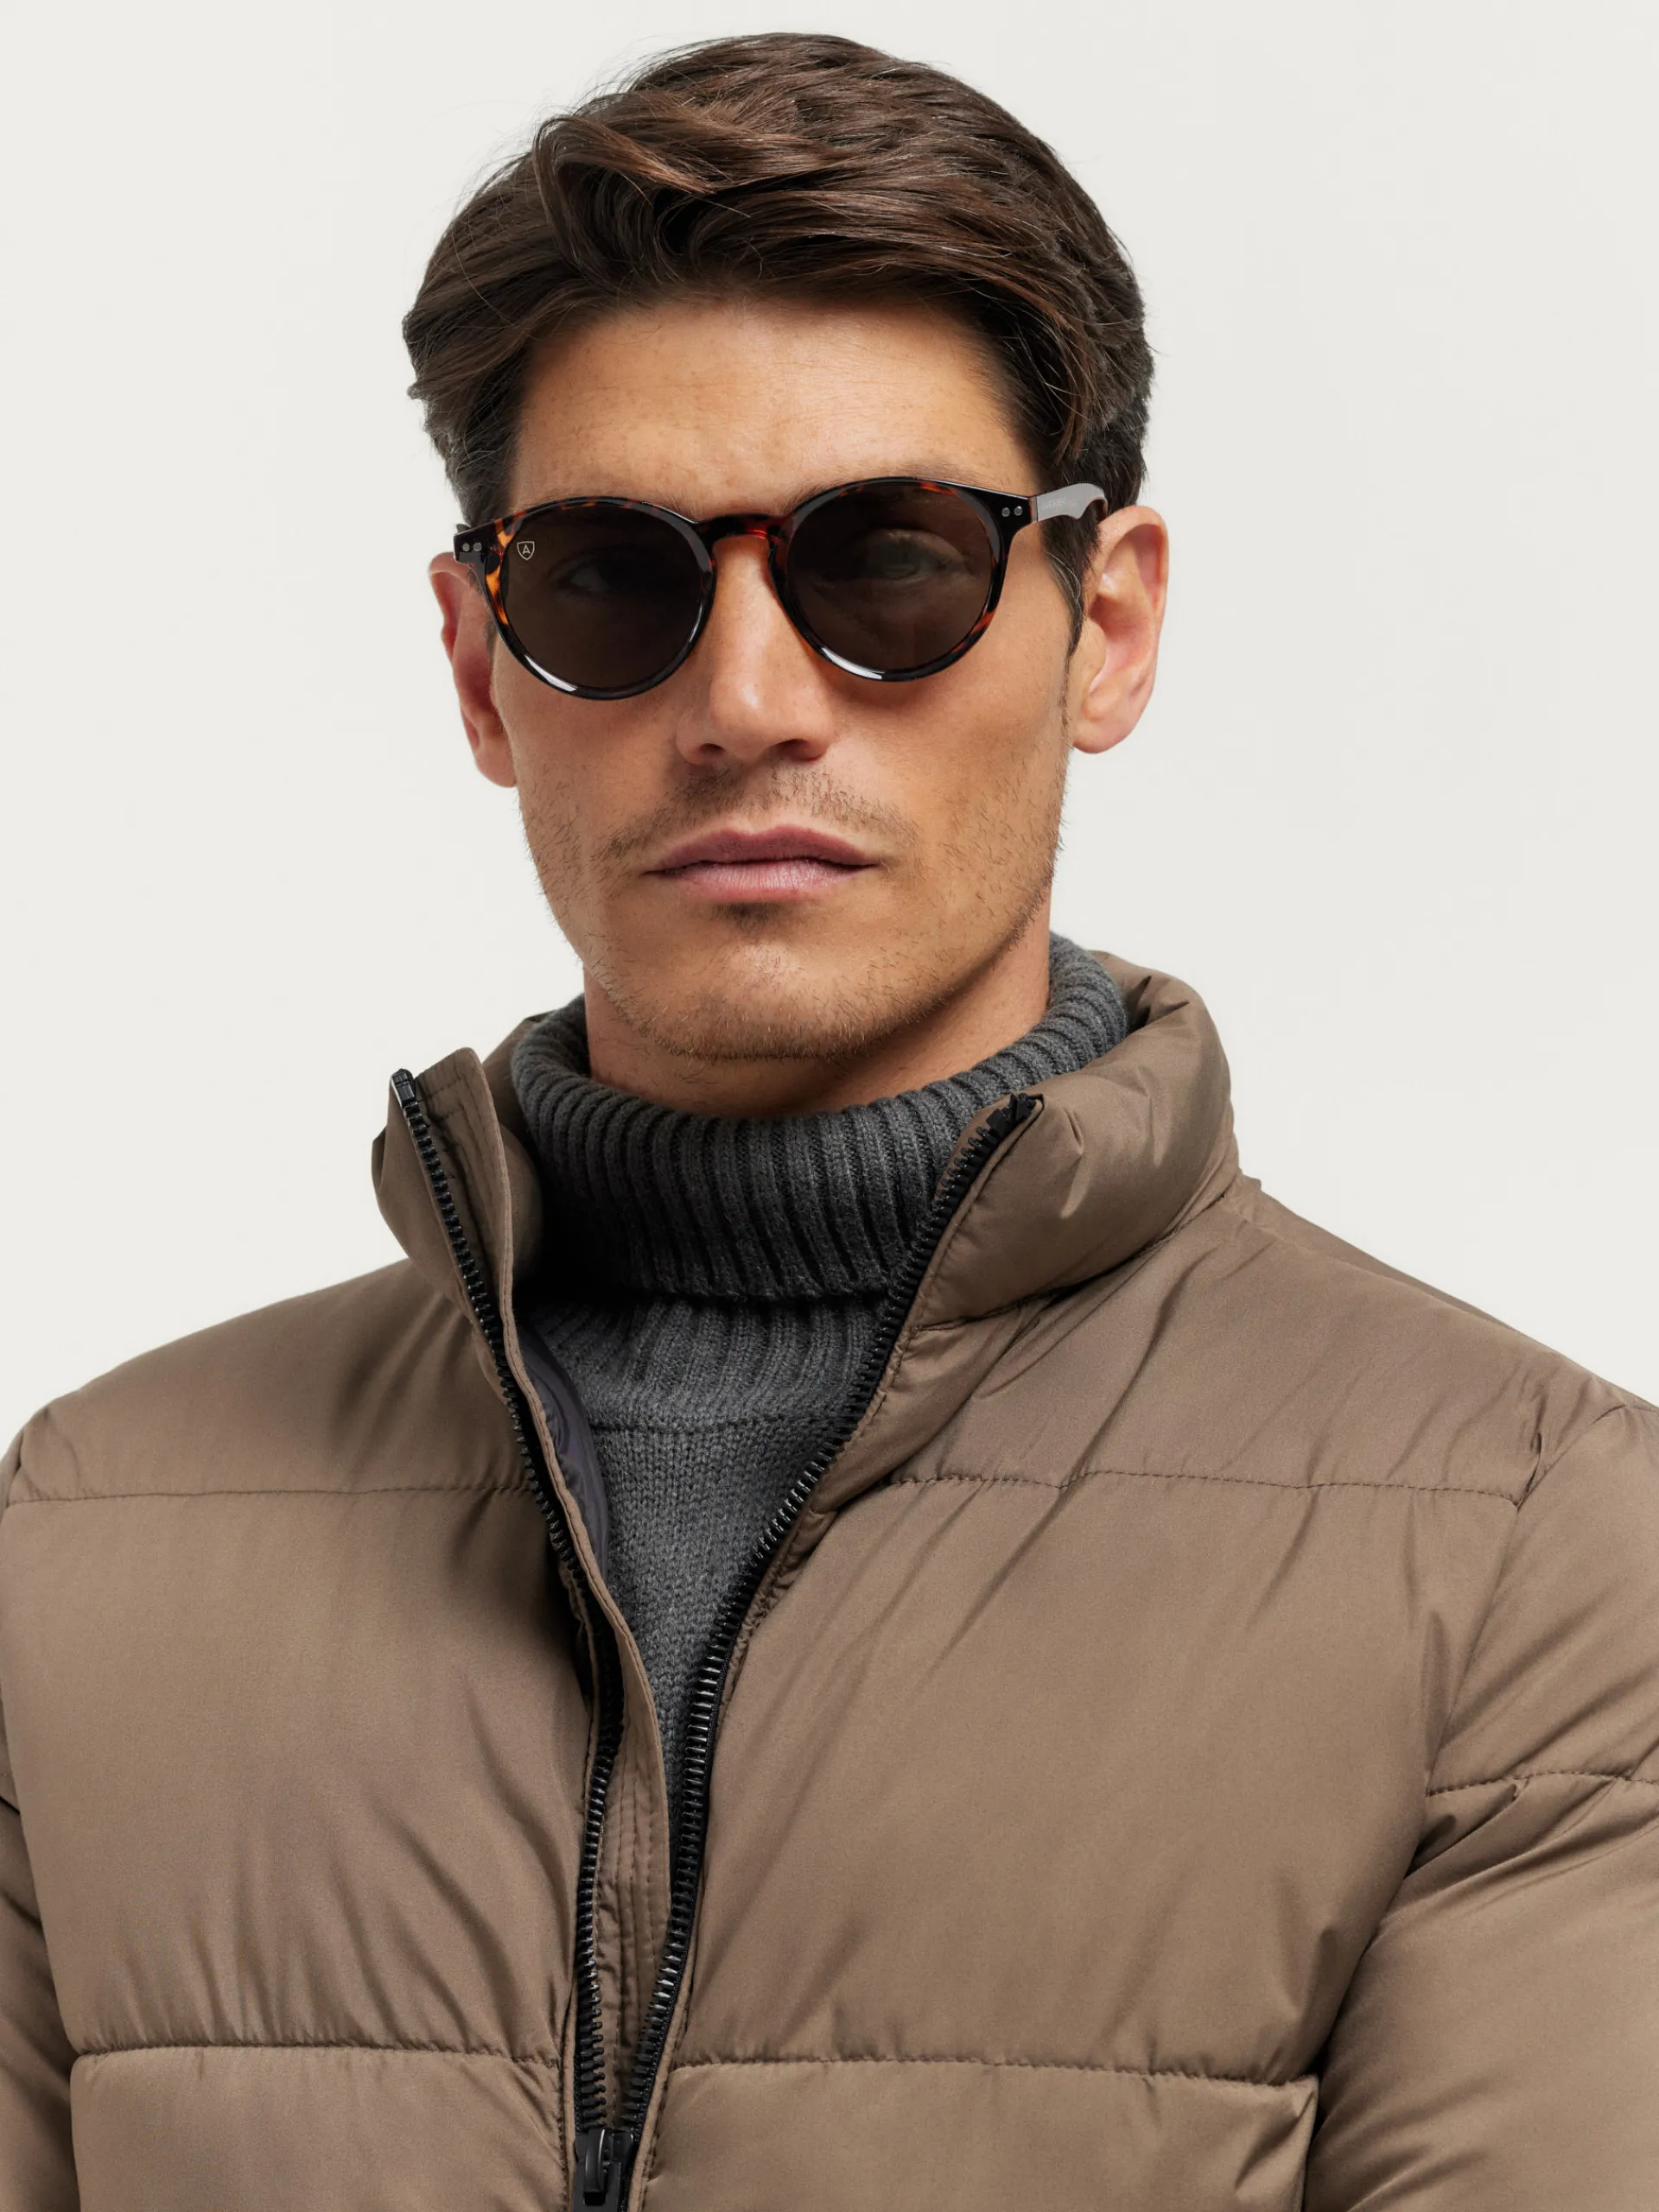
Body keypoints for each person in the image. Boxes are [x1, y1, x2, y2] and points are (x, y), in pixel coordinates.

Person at [3, 30, 1655, 2212]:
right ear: (483, 665)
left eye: (889, 566)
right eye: (612, 581)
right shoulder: (91, 1529)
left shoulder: (1538, 1547)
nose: (750, 701)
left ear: (1107, 627)